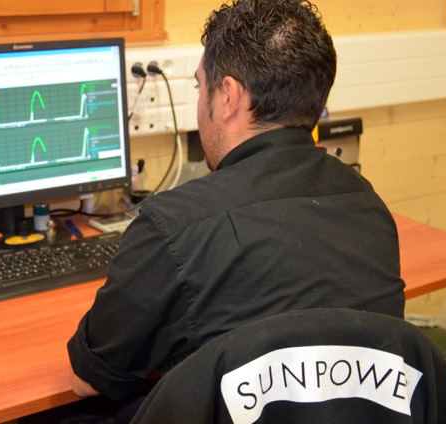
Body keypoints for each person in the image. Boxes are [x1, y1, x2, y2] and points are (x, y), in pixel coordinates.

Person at [67, 0, 406, 415]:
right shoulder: (368, 204)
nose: (200, 104)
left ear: (228, 97)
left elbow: (88, 380)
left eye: (200, 87)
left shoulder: (174, 227)